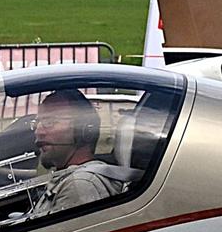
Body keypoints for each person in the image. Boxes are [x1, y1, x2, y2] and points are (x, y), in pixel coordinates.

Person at [22, 89, 137, 219]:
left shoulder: (80, 185)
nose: (38, 131)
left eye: (49, 122)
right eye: (36, 123)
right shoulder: (68, 179)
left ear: (83, 131)